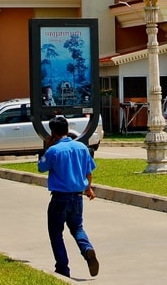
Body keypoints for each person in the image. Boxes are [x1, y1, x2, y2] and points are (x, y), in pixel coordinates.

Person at [37, 116, 99, 278]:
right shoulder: (81, 147)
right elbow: (88, 172)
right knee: (77, 228)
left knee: (56, 232)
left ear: (53, 133)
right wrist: (88, 189)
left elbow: (41, 167)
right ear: (66, 129)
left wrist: (47, 147)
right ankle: (87, 249)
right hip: (77, 197)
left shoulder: (53, 151)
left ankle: (63, 268)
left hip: (59, 198)